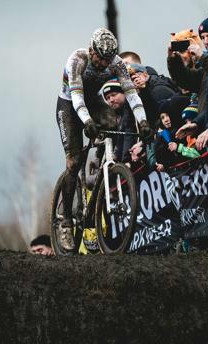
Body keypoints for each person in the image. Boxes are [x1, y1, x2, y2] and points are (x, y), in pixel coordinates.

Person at [56, 27, 152, 251]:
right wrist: (87, 123)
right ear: (92, 50)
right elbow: (77, 100)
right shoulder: (77, 61)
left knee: (114, 126)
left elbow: (132, 95)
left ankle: (105, 167)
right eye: (100, 58)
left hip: (93, 101)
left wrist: (143, 122)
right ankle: (66, 220)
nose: (102, 63)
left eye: (107, 59)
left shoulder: (117, 63)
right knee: (73, 161)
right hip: (70, 104)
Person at [169, 11, 208, 150]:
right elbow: (186, 80)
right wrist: (173, 60)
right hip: (206, 131)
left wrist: (203, 58)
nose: (206, 41)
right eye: (203, 37)